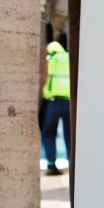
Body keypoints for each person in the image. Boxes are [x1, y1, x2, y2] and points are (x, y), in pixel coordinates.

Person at [41, 35, 71, 176]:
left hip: (54, 102)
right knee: (69, 134)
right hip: (70, 102)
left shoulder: (52, 57)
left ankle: (52, 164)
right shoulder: (69, 58)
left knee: (48, 132)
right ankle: (73, 164)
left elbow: (46, 76)